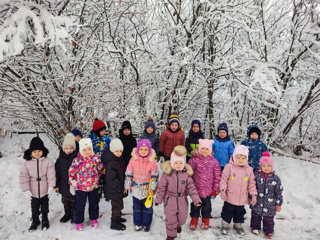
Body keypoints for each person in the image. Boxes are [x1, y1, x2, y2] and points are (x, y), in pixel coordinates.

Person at [155, 145, 201, 240]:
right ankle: (171, 235)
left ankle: (178, 225)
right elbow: (162, 188)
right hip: (169, 199)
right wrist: (158, 199)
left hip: (182, 199)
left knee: (182, 218)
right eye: (176, 163)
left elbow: (192, 188)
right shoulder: (167, 174)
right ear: (172, 163)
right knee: (171, 219)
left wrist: (196, 199)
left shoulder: (186, 175)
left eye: (180, 163)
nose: (178, 165)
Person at [219, 145, 257, 235]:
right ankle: (225, 224)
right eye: (238, 157)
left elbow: (251, 183)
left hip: (242, 197)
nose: (240, 160)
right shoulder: (229, 167)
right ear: (234, 156)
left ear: (246, 158)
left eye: (243, 158)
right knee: (227, 211)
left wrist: (253, 195)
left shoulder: (249, 170)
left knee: (239, 212)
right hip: (230, 196)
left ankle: (238, 225)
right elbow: (223, 179)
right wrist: (222, 190)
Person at [19, 137, 56, 231]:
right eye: (34, 151)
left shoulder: (48, 161)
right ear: (30, 152)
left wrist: (51, 186)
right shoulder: (27, 164)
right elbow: (23, 176)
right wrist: (26, 189)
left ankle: (45, 219)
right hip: (33, 190)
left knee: (45, 206)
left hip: (45, 190)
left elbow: (51, 175)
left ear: (43, 151)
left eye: (39, 151)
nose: (37, 153)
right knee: (34, 207)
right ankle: (35, 220)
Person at [68, 138, 103, 231]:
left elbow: (100, 169)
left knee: (94, 204)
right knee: (80, 205)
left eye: (89, 149)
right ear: (80, 150)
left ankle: (94, 219)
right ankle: (79, 222)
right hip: (81, 188)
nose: (87, 152)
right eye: (84, 150)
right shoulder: (77, 161)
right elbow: (71, 173)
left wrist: (97, 179)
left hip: (93, 187)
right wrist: (72, 183)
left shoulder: (96, 159)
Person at [124, 139, 159, 232]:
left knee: (147, 208)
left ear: (149, 150)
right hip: (135, 188)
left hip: (147, 190)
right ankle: (137, 223)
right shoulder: (133, 160)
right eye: (141, 149)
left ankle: (146, 224)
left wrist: (153, 188)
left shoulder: (152, 161)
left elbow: (155, 176)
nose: (143, 152)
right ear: (138, 150)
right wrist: (127, 185)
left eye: (146, 149)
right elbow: (129, 173)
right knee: (137, 208)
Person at [188, 139, 221, 230]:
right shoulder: (194, 160)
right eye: (202, 148)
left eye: (207, 149)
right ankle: (194, 220)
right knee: (195, 206)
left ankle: (205, 220)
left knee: (207, 207)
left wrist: (216, 189)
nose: (204, 151)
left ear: (210, 150)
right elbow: (189, 174)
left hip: (208, 190)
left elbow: (217, 176)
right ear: (199, 149)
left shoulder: (214, 162)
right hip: (196, 189)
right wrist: (188, 188)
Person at [250, 152, 283, 239]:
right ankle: (255, 227)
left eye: (268, 166)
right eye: (264, 166)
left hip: (270, 205)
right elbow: (252, 187)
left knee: (269, 219)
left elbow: (279, 191)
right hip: (257, 202)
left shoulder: (276, 178)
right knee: (255, 216)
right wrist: (250, 197)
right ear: (260, 166)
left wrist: (278, 204)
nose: (266, 168)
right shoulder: (257, 176)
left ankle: (268, 231)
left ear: (272, 166)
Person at [101, 138, 128, 231]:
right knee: (116, 206)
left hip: (118, 187)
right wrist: (119, 185)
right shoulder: (112, 162)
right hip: (115, 188)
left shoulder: (118, 158)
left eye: (121, 151)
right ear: (112, 150)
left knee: (119, 204)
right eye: (117, 151)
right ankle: (114, 222)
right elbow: (110, 178)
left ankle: (118, 217)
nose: (119, 153)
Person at [55, 133, 78, 223]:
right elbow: (56, 172)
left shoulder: (76, 158)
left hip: (73, 185)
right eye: (67, 148)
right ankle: (67, 214)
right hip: (63, 184)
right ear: (64, 148)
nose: (69, 150)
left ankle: (73, 215)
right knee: (65, 201)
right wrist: (56, 185)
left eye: (71, 148)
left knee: (73, 201)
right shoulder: (60, 159)